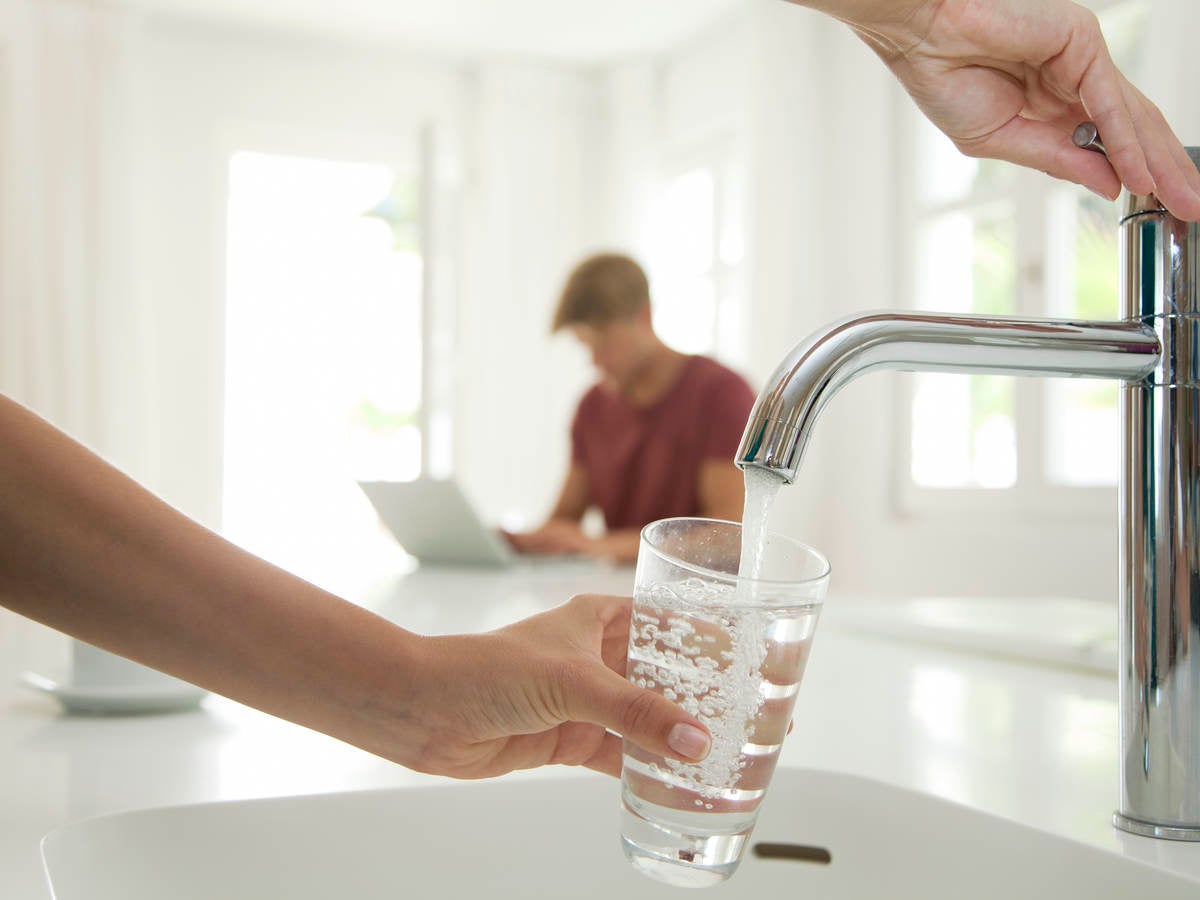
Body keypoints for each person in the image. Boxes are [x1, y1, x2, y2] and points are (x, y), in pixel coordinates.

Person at [3, 0, 1200, 785]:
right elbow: (575, 510)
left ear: (632, 316)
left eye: (596, 337)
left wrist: (929, 18)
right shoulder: (594, 411)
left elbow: (720, 541)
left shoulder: (716, 388)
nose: (591, 363)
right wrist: (519, 569)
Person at [503, 253, 756, 565]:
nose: (595, 361)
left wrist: (598, 546)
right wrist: (522, 542)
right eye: (585, 346)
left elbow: (729, 533)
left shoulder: (721, 393)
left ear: (644, 317)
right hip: (615, 597)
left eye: (604, 344)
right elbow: (564, 523)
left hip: (696, 602)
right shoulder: (592, 407)